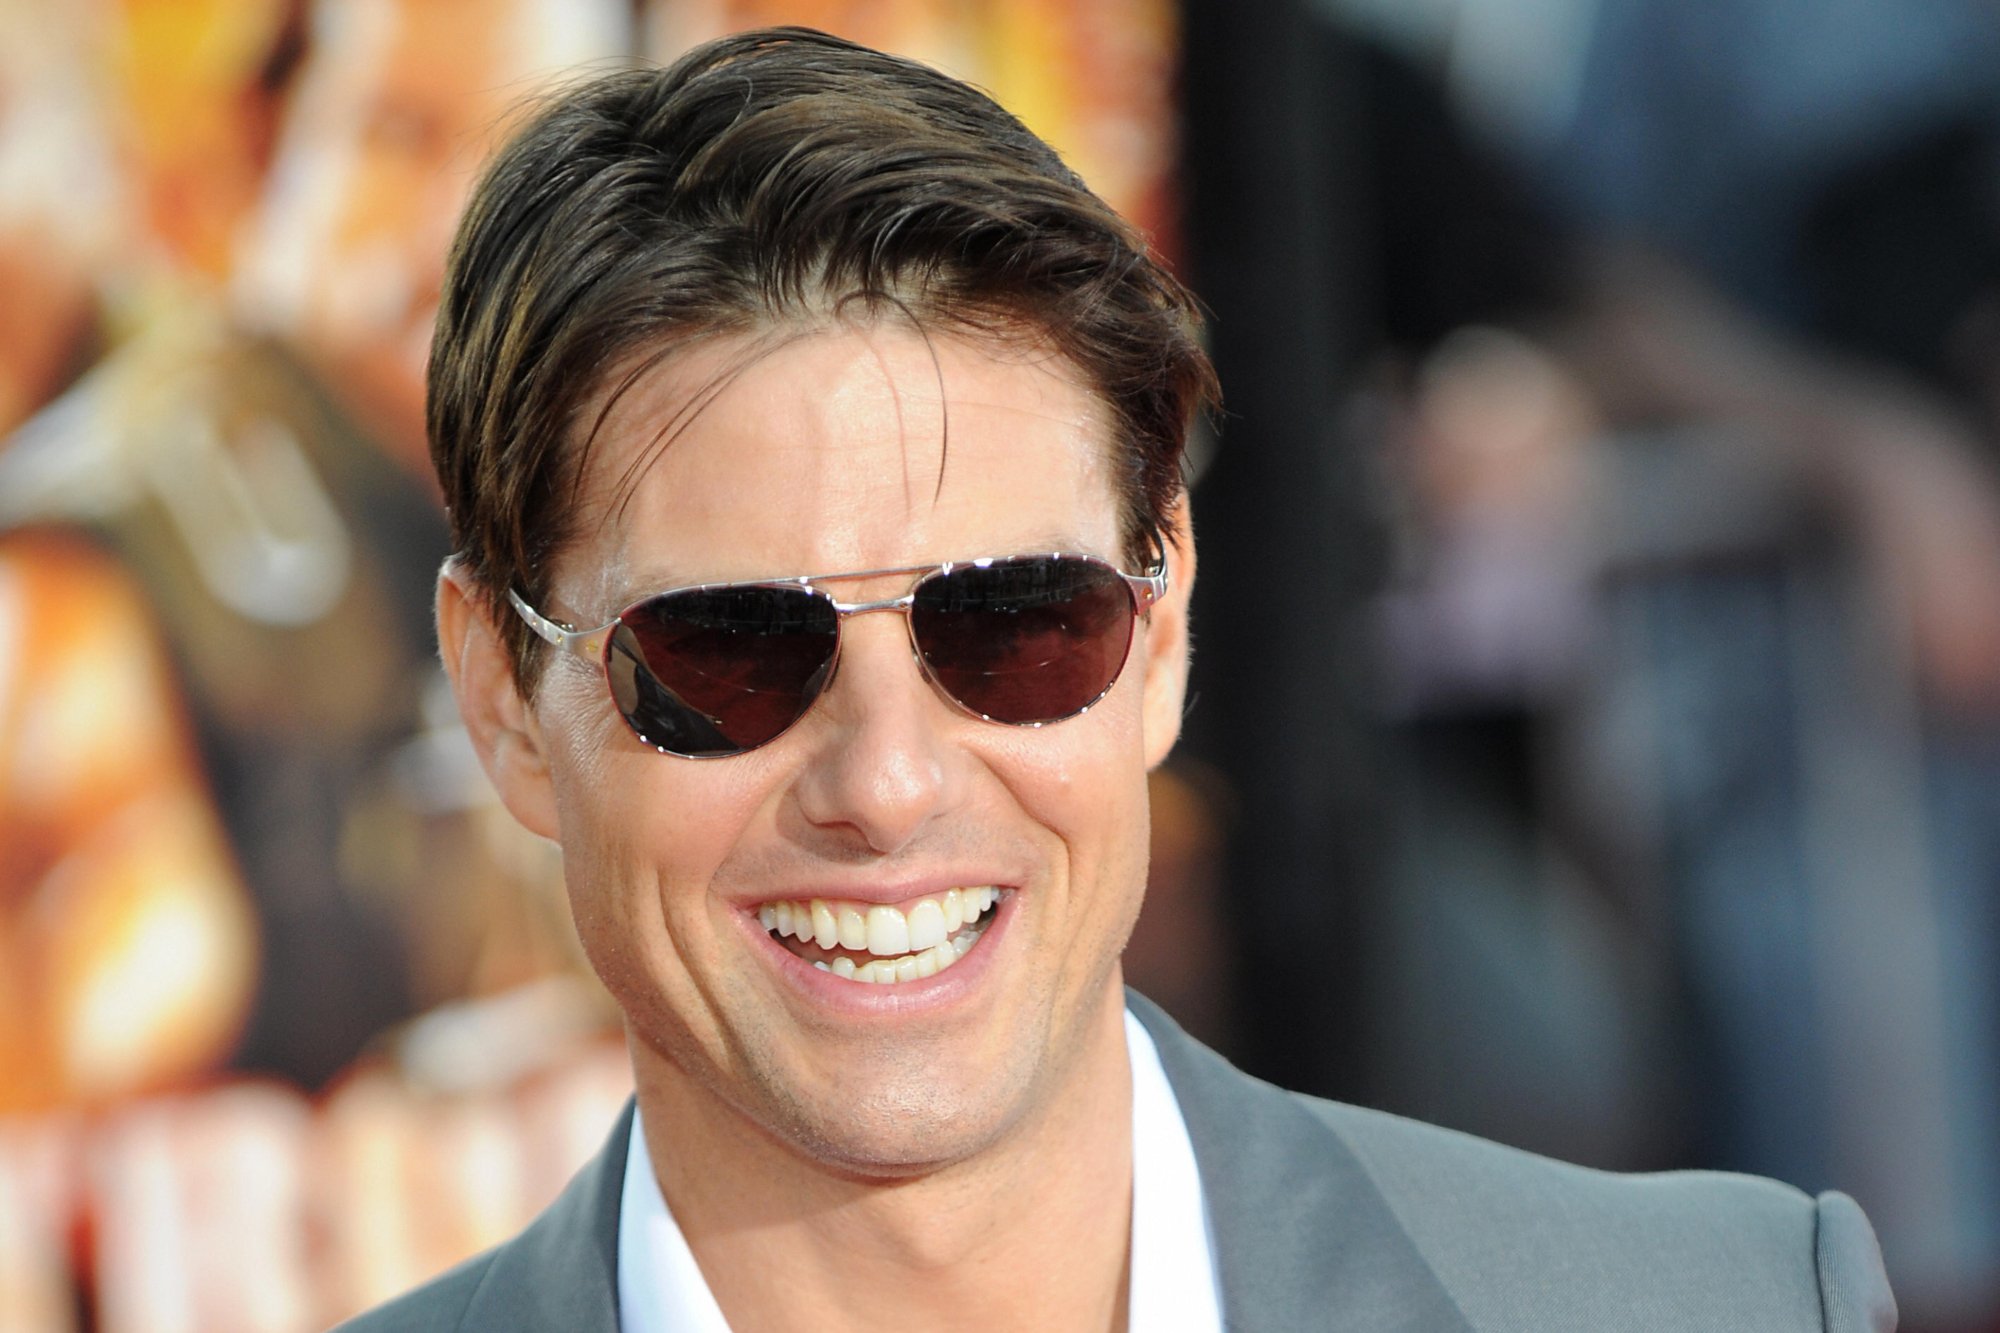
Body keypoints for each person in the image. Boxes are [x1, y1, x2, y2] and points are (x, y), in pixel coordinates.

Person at [340, 26, 1898, 1331]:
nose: (888, 780)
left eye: (1018, 625)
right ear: (500, 699)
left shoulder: (1729, 1304)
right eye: (726, 654)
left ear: (1160, 637)